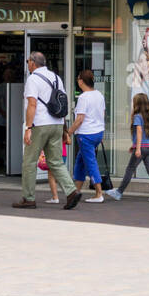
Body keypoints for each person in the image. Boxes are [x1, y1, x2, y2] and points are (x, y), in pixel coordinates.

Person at [13, 52, 76, 210]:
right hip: (56, 123)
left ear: (33, 63)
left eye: (28, 61)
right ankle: (71, 191)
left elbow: (32, 104)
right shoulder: (56, 78)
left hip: (39, 124)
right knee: (55, 161)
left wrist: (28, 128)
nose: (27, 63)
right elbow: (63, 102)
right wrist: (63, 128)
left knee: (29, 162)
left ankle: (28, 198)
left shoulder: (33, 79)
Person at [106, 93, 149, 202]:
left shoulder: (137, 116)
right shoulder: (148, 116)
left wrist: (137, 148)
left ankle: (118, 192)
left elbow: (139, 131)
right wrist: (134, 146)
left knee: (130, 169)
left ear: (136, 104)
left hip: (142, 148)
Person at [62, 69, 106, 207]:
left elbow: (80, 119)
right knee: (80, 162)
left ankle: (99, 193)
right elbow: (102, 114)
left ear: (81, 81)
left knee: (90, 162)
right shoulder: (99, 95)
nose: (77, 81)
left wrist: (68, 132)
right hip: (97, 132)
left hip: (86, 134)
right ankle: (77, 191)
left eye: (77, 79)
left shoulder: (83, 97)